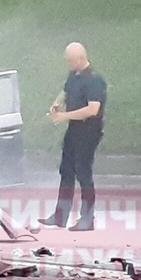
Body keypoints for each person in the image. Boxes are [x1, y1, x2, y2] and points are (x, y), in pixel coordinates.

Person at [39, 42, 107, 231]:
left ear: (80, 58)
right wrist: (56, 103)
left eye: (70, 60)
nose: (68, 64)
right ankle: (61, 215)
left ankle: (88, 218)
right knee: (66, 170)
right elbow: (66, 90)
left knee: (83, 172)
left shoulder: (95, 80)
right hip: (74, 129)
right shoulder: (74, 75)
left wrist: (64, 116)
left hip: (89, 131)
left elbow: (93, 109)